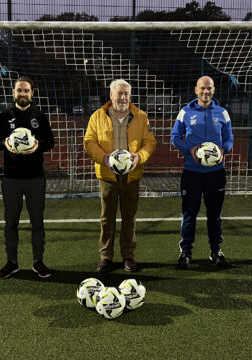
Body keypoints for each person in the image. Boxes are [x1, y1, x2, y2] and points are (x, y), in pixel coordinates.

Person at [84, 79, 156, 273]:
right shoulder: (97, 116)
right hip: (107, 175)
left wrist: (138, 157)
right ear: (111, 95)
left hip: (131, 176)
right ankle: (106, 256)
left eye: (126, 94)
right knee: (107, 217)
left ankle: (128, 256)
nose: (123, 97)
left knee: (129, 217)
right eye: (119, 93)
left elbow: (150, 142)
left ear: (129, 96)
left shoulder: (141, 116)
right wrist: (104, 158)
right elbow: (89, 142)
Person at [0, 77, 55, 279]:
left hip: (35, 177)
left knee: (38, 222)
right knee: (11, 222)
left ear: (32, 93)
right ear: (13, 93)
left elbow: (50, 142)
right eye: (19, 90)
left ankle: (38, 262)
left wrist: (37, 145)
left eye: (26, 91)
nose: (22, 94)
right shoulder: (5, 116)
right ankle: (12, 262)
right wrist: (6, 144)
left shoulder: (39, 115)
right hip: (11, 178)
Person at [170, 76, 233, 269]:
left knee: (215, 214)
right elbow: (174, 137)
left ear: (214, 90)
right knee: (189, 214)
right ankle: (185, 252)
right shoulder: (185, 112)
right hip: (192, 172)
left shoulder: (222, 113)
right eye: (203, 88)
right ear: (196, 90)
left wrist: (224, 150)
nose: (206, 92)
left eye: (209, 88)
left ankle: (216, 251)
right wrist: (190, 149)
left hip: (216, 173)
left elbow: (229, 138)